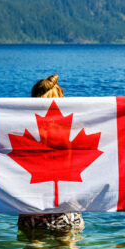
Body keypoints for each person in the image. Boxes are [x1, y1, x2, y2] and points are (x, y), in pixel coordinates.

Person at [16, 74, 85, 233]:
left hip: (32, 209)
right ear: (61, 98)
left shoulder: (22, 130)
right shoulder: (74, 129)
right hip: (67, 209)